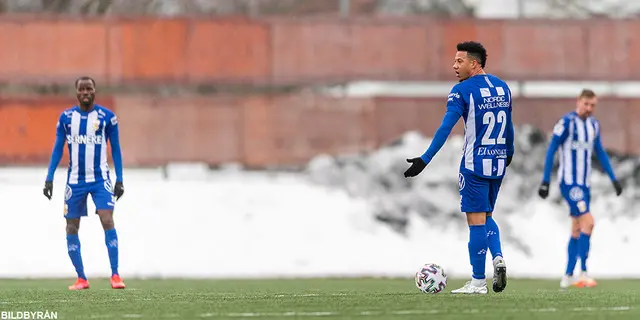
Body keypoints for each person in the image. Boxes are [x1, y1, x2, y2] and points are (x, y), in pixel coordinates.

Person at [404, 41, 514, 294]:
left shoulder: (461, 90)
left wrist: (425, 158)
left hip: (474, 165)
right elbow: (509, 125)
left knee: (475, 221)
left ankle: (477, 282)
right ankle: (497, 257)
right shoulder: (503, 87)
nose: (454, 66)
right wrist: (510, 151)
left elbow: (446, 127)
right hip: (497, 162)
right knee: (486, 216)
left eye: (459, 61)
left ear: (474, 64)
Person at [43, 76, 126, 290]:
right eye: (82, 89)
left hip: (100, 179)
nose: (85, 92)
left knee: (107, 220)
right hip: (75, 181)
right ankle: (81, 278)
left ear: (95, 90)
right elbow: (57, 148)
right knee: (71, 226)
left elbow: (115, 148)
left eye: (89, 88)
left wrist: (120, 179)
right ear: (76, 92)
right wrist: (49, 177)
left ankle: (115, 275)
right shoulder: (66, 118)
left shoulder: (107, 117)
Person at [538, 89, 622, 289]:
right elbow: (551, 149)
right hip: (569, 183)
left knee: (577, 228)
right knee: (589, 222)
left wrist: (614, 179)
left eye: (593, 105)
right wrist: (545, 180)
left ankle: (568, 275)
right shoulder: (566, 123)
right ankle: (583, 272)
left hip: (585, 184)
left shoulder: (593, 125)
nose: (589, 108)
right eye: (586, 104)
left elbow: (600, 153)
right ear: (579, 102)